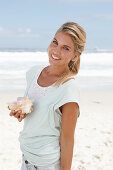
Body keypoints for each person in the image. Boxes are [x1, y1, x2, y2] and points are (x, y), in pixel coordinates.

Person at [9, 21, 86, 170]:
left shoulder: (69, 89)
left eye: (66, 48)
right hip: (26, 157)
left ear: (75, 56)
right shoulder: (33, 72)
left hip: (46, 164)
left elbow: (67, 140)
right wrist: (21, 111)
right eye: (55, 42)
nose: (56, 51)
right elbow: (35, 106)